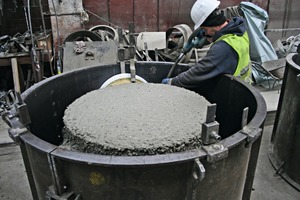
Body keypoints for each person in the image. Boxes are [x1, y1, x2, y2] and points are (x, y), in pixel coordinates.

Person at [162, 0, 252, 89]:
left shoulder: (223, 48)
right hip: (244, 84)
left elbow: (199, 72)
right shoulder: (239, 30)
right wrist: (206, 37)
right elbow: (221, 36)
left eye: (205, 29)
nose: (205, 33)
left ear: (215, 25)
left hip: (233, 92)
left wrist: (173, 82)